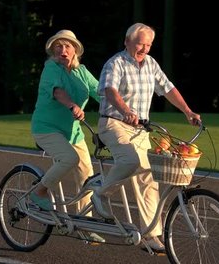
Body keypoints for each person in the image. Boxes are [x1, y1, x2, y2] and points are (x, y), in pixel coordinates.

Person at [92, 23, 201, 252]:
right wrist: (126, 111)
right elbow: (110, 91)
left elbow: (168, 88)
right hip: (113, 123)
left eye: (149, 44)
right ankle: (100, 194)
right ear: (127, 41)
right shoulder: (115, 63)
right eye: (141, 43)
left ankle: (151, 236)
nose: (144, 48)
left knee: (148, 177)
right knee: (130, 161)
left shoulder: (151, 64)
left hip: (140, 129)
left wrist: (188, 111)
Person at [30, 29, 105, 243]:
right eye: (58, 47)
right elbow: (57, 92)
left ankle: (84, 223)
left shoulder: (81, 71)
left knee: (87, 175)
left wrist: (121, 108)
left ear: (75, 50)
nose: (63, 50)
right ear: (53, 51)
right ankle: (40, 191)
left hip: (73, 131)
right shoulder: (51, 69)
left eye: (67, 46)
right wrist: (72, 105)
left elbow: (99, 91)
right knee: (69, 159)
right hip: (46, 127)